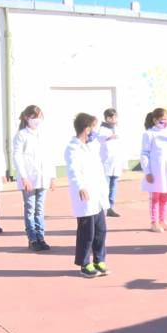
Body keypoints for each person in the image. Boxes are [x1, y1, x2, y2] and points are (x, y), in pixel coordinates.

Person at [65, 113, 111, 278]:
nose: (95, 131)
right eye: (93, 127)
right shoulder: (73, 147)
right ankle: (85, 263)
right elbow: (72, 170)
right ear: (86, 129)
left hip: (97, 194)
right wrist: (80, 187)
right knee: (87, 232)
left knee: (101, 230)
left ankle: (99, 259)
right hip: (84, 194)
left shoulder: (92, 145)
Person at [13, 105, 57, 252]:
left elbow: (49, 156)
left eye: (39, 116)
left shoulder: (44, 134)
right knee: (30, 208)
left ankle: (41, 237)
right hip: (29, 178)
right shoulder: (21, 135)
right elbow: (17, 157)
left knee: (39, 209)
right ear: (26, 118)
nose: (37, 120)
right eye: (34, 117)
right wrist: (24, 177)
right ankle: (32, 239)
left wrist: (52, 176)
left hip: (43, 177)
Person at [96, 108, 127, 217]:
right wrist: (109, 137)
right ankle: (101, 207)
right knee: (105, 186)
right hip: (106, 162)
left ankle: (110, 208)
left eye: (115, 116)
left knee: (113, 186)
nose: (113, 119)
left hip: (116, 162)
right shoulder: (102, 129)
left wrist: (124, 163)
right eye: (111, 117)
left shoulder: (118, 128)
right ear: (106, 118)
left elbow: (122, 146)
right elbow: (99, 138)